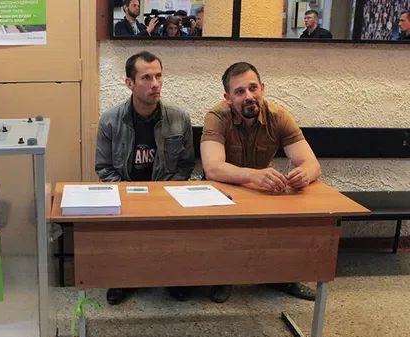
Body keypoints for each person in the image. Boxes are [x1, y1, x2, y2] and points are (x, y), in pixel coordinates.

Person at [200, 61, 322, 303]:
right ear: (227, 98)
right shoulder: (217, 116)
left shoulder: (279, 116)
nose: (249, 96)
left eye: (253, 88)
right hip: (223, 191)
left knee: (292, 206)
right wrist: (253, 175)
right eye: (239, 91)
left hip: (259, 191)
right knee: (220, 220)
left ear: (262, 88)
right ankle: (222, 276)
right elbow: (212, 168)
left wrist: (304, 174)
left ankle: (282, 276)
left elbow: (312, 164)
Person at [95, 51, 196, 305]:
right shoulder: (110, 120)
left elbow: (186, 164)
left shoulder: (179, 118)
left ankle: (174, 277)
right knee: (124, 233)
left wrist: (163, 193)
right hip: (126, 194)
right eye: (146, 78)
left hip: (166, 194)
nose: (155, 84)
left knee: (177, 231)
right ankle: (124, 278)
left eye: (159, 76)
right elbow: (104, 168)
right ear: (129, 83)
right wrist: (130, 195)